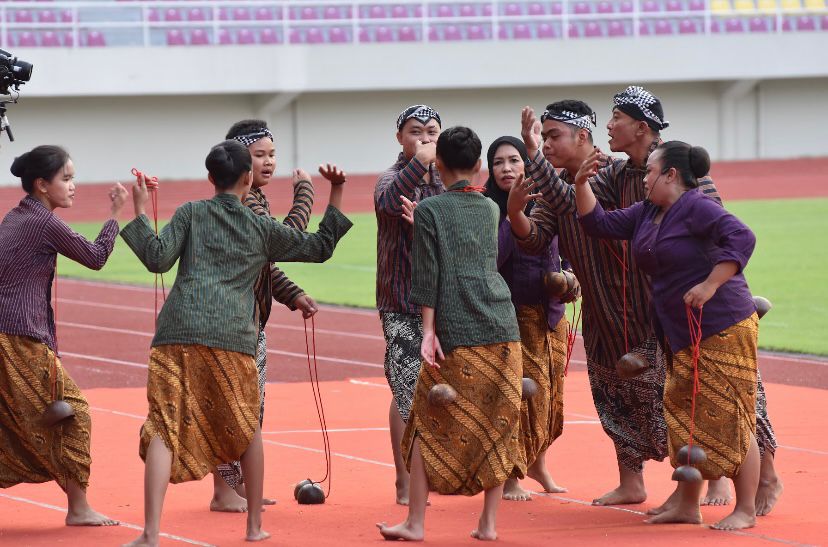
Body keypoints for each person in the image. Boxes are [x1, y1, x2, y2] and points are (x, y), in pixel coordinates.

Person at [121, 140, 352, 546]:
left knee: (162, 426)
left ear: (210, 178)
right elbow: (319, 248)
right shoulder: (259, 226)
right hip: (232, 336)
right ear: (249, 178)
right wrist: (335, 191)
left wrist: (139, 210)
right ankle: (254, 527)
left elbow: (157, 258)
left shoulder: (191, 212)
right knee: (246, 429)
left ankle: (150, 533)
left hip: (176, 331)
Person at [574, 140, 761, 531]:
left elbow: (742, 238)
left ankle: (744, 508)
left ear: (671, 175)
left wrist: (710, 285)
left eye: (650, 173)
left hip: (722, 324)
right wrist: (580, 184)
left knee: (731, 414)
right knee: (684, 414)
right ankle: (688, 505)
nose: (644, 180)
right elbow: (598, 224)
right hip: (680, 332)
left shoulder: (696, 206)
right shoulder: (648, 212)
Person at [508, 94, 673, 505]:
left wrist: (532, 154)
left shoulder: (609, 172)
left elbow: (571, 202)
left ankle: (715, 474)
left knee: (668, 396)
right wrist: (514, 215)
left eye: (552, 136)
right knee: (612, 398)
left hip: (644, 308)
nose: (545, 144)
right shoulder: (552, 184)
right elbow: (536, 239)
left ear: (583, 135)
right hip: (600, 312)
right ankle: (631, 481)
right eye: (541, 137)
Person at [377, 126, 525, 542]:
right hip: (502, 323)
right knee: (499, 422)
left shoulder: (429, 210)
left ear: (437, 164)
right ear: (479, 167)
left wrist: (428, 330)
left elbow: (428, 276)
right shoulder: (489, 209)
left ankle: (416, 522)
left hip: (458, 328)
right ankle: (488, 524)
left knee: (426, 422)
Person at [0, 145, 125, 527]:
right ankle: (78, 508)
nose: (73, 186)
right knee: (74, 413)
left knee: (9, 422)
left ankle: (77, 503)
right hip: (18, 336)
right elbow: (96, 256)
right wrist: (118, 213)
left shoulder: (16, 216)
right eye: (66, 179)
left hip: (10, 332)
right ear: (41, 184)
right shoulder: (42, 222)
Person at [210, 119, 319, 512]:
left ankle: (237, 487)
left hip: (248, 318)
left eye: (272, 154)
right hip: (235, 320)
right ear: (241, 161)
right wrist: (306, 192)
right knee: (235, 404)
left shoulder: (253, 197)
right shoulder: (246, 201)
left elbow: (263, 262)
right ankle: (224, 491)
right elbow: (286, 240)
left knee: (249, 405)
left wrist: (293, 295)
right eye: (260, 156)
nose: (269, 162)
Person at [485, 136, 576, 500]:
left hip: (553, 316)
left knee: (551, 398)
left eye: (514, 160)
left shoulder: (549, 203)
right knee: (519, 397)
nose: (507, 168)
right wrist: (512, 213)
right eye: (498, 162)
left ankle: (537, 463)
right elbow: (492, 260)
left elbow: (565, 252)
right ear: (490, 171)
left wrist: (570, 278)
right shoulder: (488, 209)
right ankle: (510, 475)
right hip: (513, 318)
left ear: (526, 164)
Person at [374, 104, 443, 505]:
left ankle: (430, 470)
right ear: (400, 137)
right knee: (407, 390)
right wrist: (418, 162)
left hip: (443, 303)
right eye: (416, 131)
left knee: (436, 390)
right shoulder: (390, 179)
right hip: (402, 303)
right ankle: (405, 480)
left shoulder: (448, 182)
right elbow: (387, 203)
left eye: (432, 131)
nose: (426, 138)